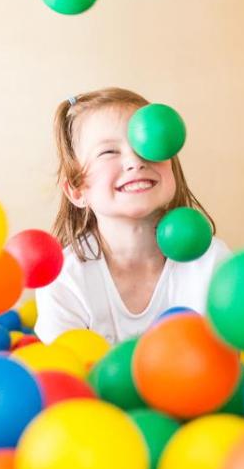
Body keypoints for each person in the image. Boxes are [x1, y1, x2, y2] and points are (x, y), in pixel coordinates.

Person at [34, 87, 228, 344]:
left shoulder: (210, 262)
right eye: (108, 152)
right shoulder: (66, 279)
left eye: (147, 143)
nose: (135, 161)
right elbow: (65, 366)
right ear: (77, 190)